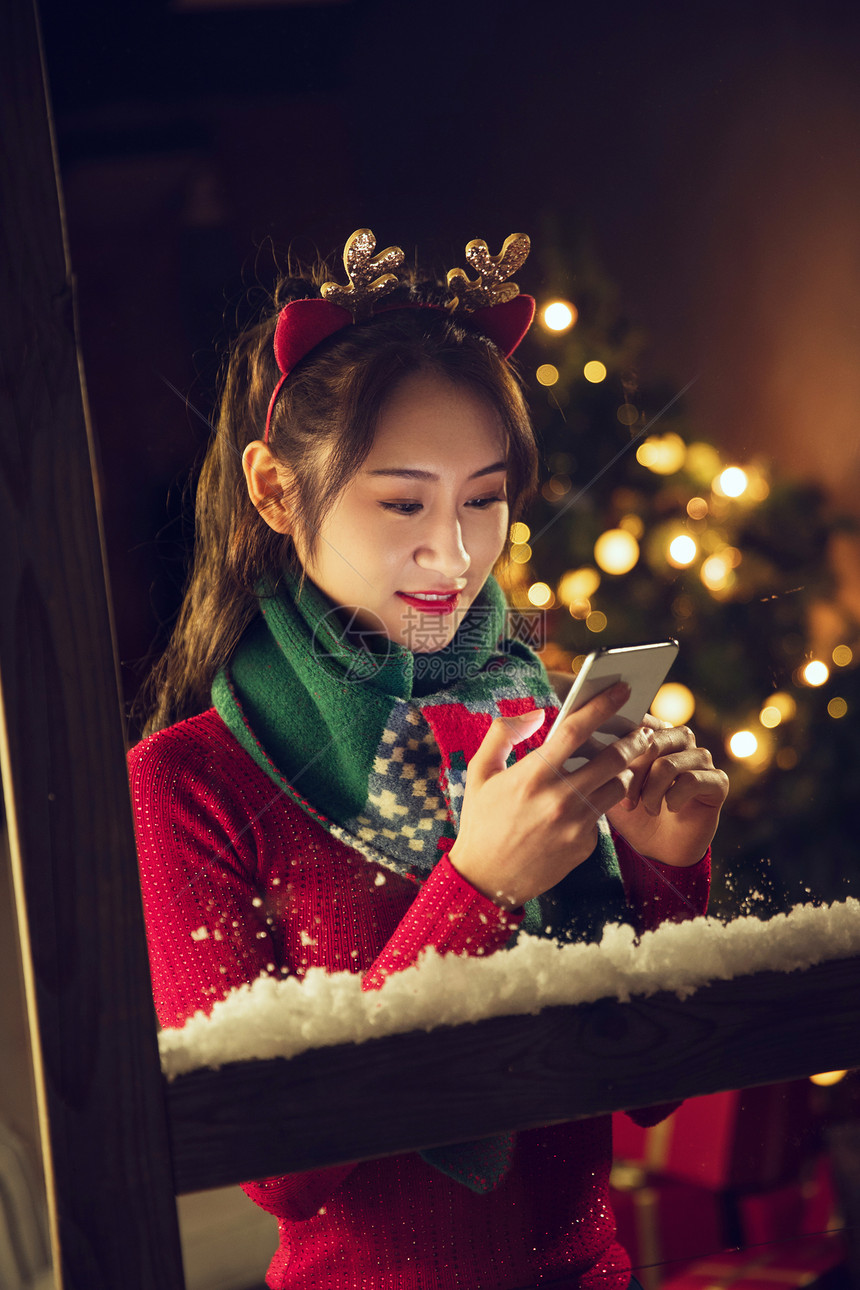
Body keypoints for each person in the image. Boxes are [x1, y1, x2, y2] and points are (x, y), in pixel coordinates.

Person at [129, 229, 727, 1290]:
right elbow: (280, 1167)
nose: (452, 557)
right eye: (401, 502)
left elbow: (649, 1091)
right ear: (274, 491)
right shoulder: (187, 784)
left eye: (483, 498)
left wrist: (665, 863)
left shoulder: (527, 712)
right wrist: (479, 885)